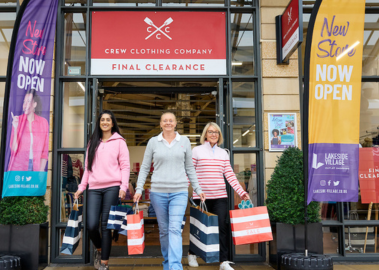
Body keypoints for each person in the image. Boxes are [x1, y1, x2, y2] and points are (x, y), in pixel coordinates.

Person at [134, 111, 205, 270]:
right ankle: (167, 263)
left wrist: (198, 188)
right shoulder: (153, 142)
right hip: (158, 193)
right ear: (160, 124)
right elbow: (145, 168)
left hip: (179, 192)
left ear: (175, 123)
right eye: (164, 120)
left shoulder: (184, 141)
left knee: (174, 229)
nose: (168, 123)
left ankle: (175, 266)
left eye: (171, 120)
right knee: (164, 231)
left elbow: (190, 168)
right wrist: (139, 189)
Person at [187, 122, 250, 270]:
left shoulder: (223, 153)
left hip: (220, 196)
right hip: (200, 196)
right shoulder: (196, 151)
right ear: (205, 134)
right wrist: (183, 189)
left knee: (222, 227)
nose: (213, 134)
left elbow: (229, 174)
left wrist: (242, 192)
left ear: (219, 135)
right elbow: (189, 172)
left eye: (216, 132)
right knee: (199, 227)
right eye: (210, 131)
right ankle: (192, 254)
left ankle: (223, 261)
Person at [75, 110, 130, 270]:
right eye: (102, 120)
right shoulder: (93, 142)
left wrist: (123, 187)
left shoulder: (120, 142)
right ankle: (99, 249)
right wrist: (81, 188)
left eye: (108, 120)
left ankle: (104, 263)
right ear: (99, 123)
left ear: (112, 123)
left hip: (112, 187)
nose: (105, 122)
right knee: (91, 225)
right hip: (94, 188)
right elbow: (87, 168)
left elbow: (125, 166)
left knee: (106, 225)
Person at [7, 89, 49, 172]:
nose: (25, 105)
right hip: (18, 167)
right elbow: (14, 149)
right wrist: (15, 128)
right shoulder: (17, 121)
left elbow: (44, 152)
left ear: (34, 104)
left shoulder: (43, 123)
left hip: (35, 168)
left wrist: (40, 172)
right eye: (24, 102)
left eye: (28, 101)